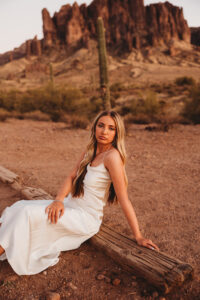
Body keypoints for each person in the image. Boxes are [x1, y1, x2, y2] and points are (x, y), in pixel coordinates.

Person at [0, 110, 158, 275]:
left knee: (25, 213)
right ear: (94, 127)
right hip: (69, 205)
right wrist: (59, 200)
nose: (104, 131)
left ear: (117, 133)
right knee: (19, 207)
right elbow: (72, 176)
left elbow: (124, 199)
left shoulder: (112, 157)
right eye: (101, 125)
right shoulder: (91, 149)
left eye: (111, 128)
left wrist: (138, 235)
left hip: (84, 218)